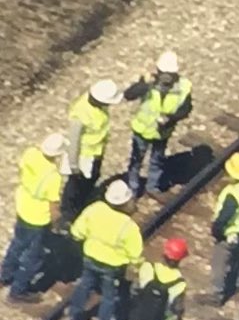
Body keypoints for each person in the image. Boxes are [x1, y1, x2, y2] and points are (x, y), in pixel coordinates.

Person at [67, 179, 143, 320]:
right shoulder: (128, 226)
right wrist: (136, 268)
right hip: (112, 266)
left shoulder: (95, 209)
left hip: (90, 257)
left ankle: (72, 315)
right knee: (109, 297)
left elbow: (77, 232)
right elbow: (135, 254)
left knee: (84, 286)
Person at [1, 133, 67, 304]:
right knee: (34, 256)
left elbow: (22, 168)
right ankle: (18, 291)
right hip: (37, 218)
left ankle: (4, 276)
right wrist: (58, 223)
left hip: (23, 206)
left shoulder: (30, 153)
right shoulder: (53, 176)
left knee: (17, 244)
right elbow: (53, 205)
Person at [124, 50, 193, 200]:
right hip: (142, 131)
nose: (166, 76)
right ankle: (132, 191)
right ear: (158, 70)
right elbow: (129, 95)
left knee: (157, 160)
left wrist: (171, 118)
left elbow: (186, 109)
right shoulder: (148, 82)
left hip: (163, 132)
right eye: (163, 72)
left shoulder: (184, 86)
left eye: (170, 73)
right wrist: (144, 85)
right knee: (136, 161)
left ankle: (152, 187)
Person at [61, 79, 124, 228]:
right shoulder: (81, 114)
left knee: (91, 179)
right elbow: (74, 141)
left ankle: (83, 204)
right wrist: (74, 165)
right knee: (75, 185)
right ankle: (68, 215)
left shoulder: (98, 107)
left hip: (95, 153)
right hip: (83, 156)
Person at [203, 152, 239, 306]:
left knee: (219, 264)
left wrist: (217, 230)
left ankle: (218, 294)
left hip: (229, 234)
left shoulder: (234, 194)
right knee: (238, 255)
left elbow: (224, 217)